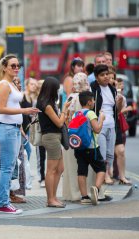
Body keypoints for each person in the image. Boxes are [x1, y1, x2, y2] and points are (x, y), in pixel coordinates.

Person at [0, 54, 39, 214]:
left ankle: (4, 202)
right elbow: (1, 109)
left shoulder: (11, 83)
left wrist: (20, 125)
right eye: (13, 65)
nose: (16, 68)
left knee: (9, 167)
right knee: (6, 168)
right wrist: (24, 110)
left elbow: (11, 106)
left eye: (18, 65)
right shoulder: (5, 84)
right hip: (6, 128)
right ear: (5, 67)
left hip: (12, 128)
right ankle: (3, 203)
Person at [37, 76, 71, 208]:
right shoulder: (46, 105)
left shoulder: (47, 102)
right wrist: (64, 109)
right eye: (56, 89)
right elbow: (59, 122)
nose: (58, 91)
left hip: (55, 137)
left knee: (60, 168)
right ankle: (50, 199)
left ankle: (53, 197)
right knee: (51, 170)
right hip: (51, 137)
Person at [62, 72, 95, 201]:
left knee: (72, 167)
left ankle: (72, 194)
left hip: (72, 137)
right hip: (86, 138)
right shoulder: (87, 98)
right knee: (87, 167)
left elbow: (65, 118)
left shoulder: (70, 97)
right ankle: (87, 192)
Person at [90, 64, 119, 201]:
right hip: (99, 126)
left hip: (111, 126)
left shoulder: (113, 89)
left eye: (107, 74)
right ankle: (98, 190)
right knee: (101, 157)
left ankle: (101, 190)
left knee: (109, 156)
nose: (106, 77)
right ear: (96, 77)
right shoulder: (93, 88)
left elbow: (115, 109)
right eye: (102, 75)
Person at [74, 91, 106, 205]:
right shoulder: (90, 113)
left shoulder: (76, 114)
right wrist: (101, 118)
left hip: (79, 147)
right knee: (101, 168)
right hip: (92, 147)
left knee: (82, 171)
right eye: (93, 100)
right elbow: (97, 129)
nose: (94, 102)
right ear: (89, 102)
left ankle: (84, 197)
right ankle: (96, 190)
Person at [21, 78, 38, 190]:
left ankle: (24, 176)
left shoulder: (31, 98)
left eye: (35, 85)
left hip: (26, 127)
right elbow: (20, 112)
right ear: (26, 85)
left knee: (26, 152)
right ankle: (24, 176)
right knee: (27, 151)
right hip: (20, 128)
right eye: (31, 84)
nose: (34, 86)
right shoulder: (22, 96)